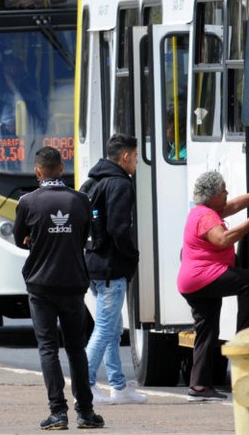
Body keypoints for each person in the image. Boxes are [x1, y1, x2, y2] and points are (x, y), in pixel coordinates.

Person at [14, 146, 105, 431]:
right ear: (62, 166)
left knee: (48, 349)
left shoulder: (27, 202)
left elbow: (20, 239)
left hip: (40, 285)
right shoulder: (80, 200)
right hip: (73, 284)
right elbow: (88, 236)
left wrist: (35, 239)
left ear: (38, 171)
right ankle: (86, 412)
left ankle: (57, 412)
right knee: (76, 348)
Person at [177, 170, 249, 402]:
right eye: (223, 190)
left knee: (207, 331)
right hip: (204, 277)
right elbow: (223, 239)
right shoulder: (206, 216)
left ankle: (199, 386)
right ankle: (244, 338)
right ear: (213, 195)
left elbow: (234, 205)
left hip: (193, 282)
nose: (227, 194)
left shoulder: (205, 211)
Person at [83, 133, 146, 405]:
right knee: (106, 328)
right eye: (135, 157)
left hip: (93, 266)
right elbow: (119, 229)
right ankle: (84, 386)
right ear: (125, 156)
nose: (136, 163)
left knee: (111, 327)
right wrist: (133, 255)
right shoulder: (121, 185)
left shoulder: (92, 182)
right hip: (111, 268)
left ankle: (119, 386)